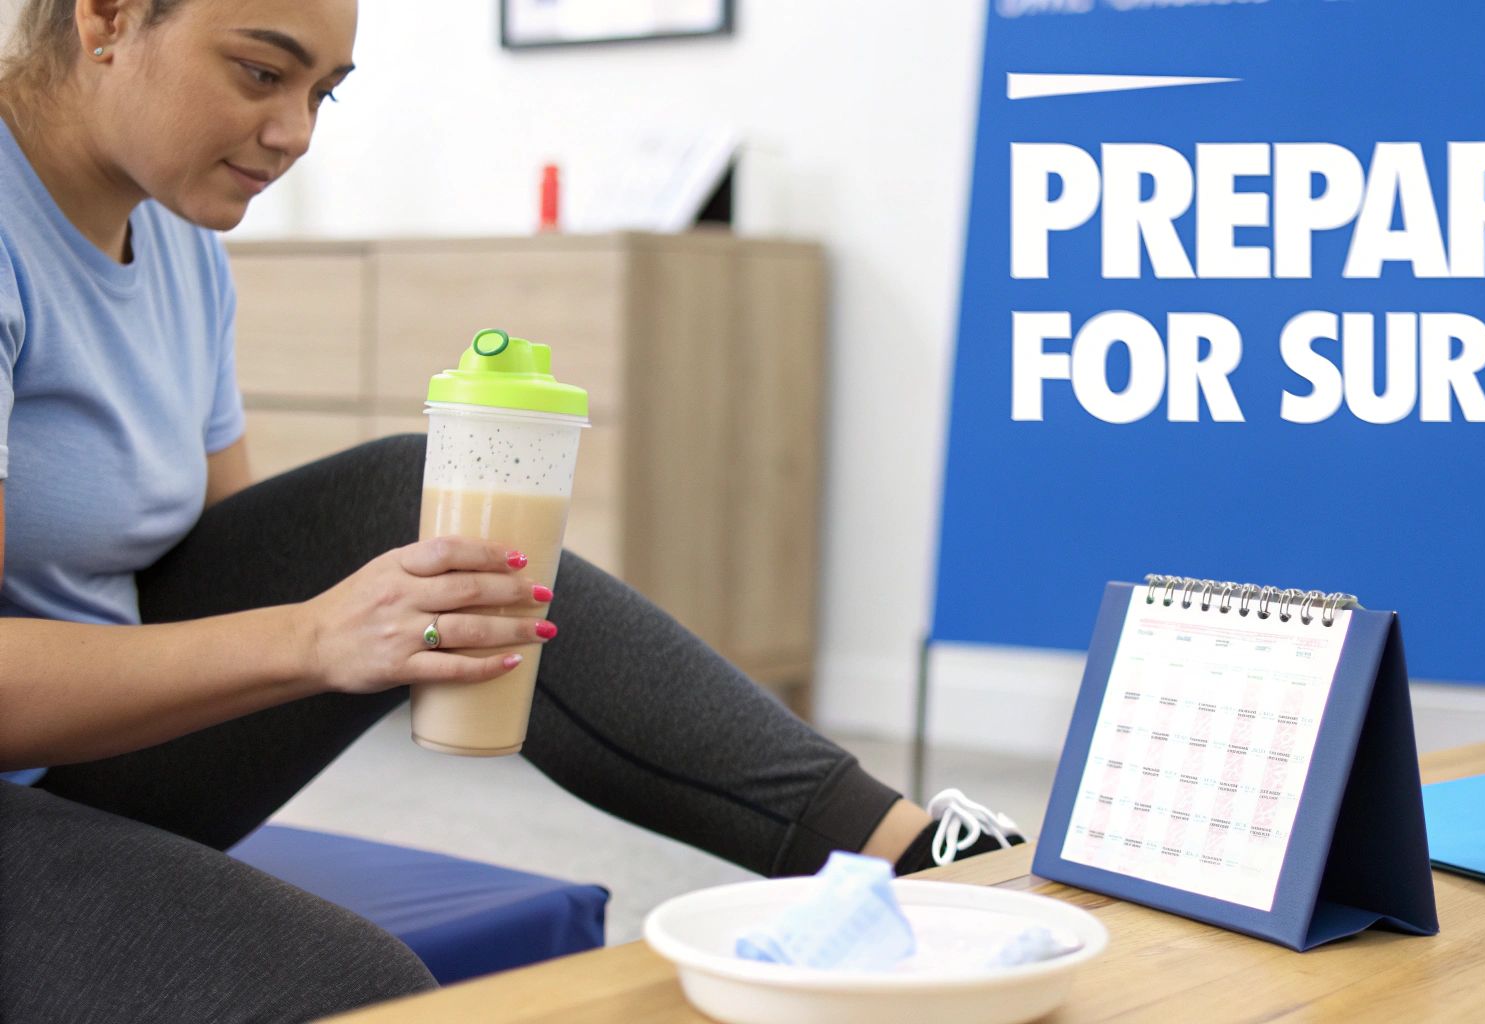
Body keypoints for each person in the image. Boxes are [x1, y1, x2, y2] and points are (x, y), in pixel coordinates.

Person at [0, 2, 1021, 1020]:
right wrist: (314, 638)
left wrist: (372, 616)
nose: (296, 132)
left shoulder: (179, 246)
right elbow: (276, 624)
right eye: (262, 75)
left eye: (323, 93)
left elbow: (235, 556)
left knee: (409, 503)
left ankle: (931, 858)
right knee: (362, 994)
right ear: (108, 16)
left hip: (82, 753)